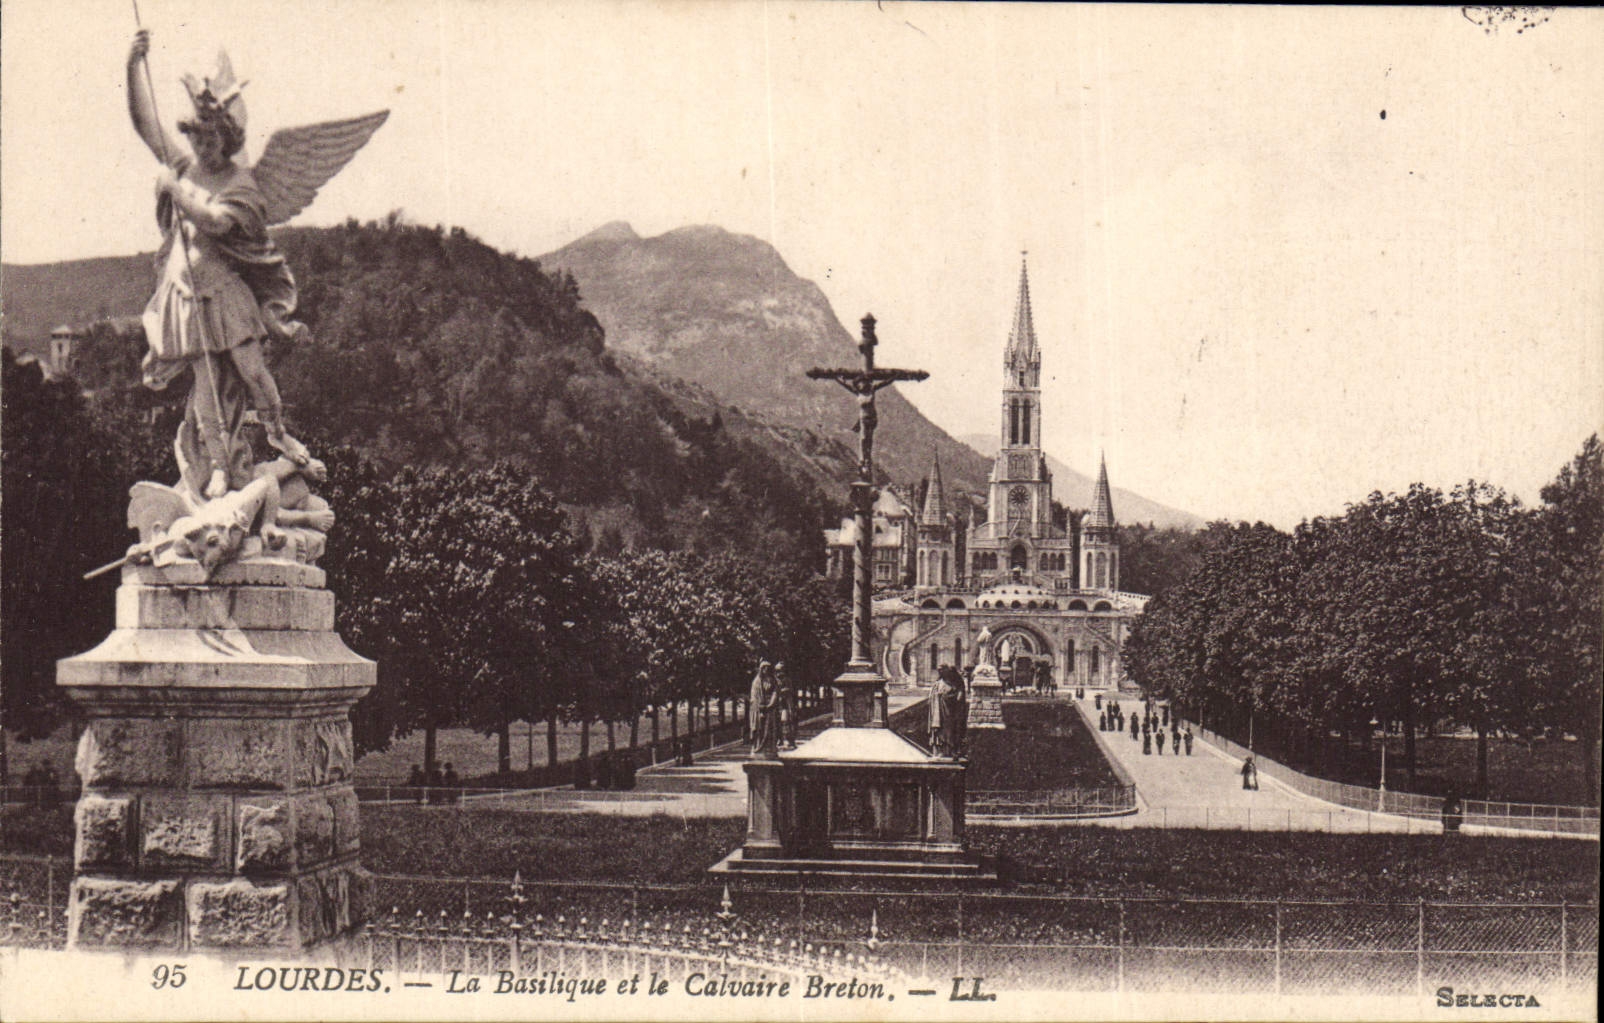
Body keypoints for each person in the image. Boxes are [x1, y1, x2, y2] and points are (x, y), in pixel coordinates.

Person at [748, 660, 781, 756]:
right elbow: (754, 696)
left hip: (770, 709)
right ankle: (757, 748)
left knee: (770, 729)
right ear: (761, 669)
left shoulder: (773, 680)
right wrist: (760, 706)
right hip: (759, 709)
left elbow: (776, 692)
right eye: (764, 668)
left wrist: (771, 704)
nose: (766, 670)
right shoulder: (757, 681)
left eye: (768, 668)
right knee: (759, 729)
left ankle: (770, 749)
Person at [775, 661, 797, 749]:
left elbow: (790, 690)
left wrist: (783, 691)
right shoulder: (774, 680)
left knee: (786, 721)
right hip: (777, 704)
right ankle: (779, 740)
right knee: (777, 723)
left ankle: (790, 740)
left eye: (780, 670)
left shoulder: (787, 680)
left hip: (786, 704)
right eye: (777, 670)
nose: (778, 673)